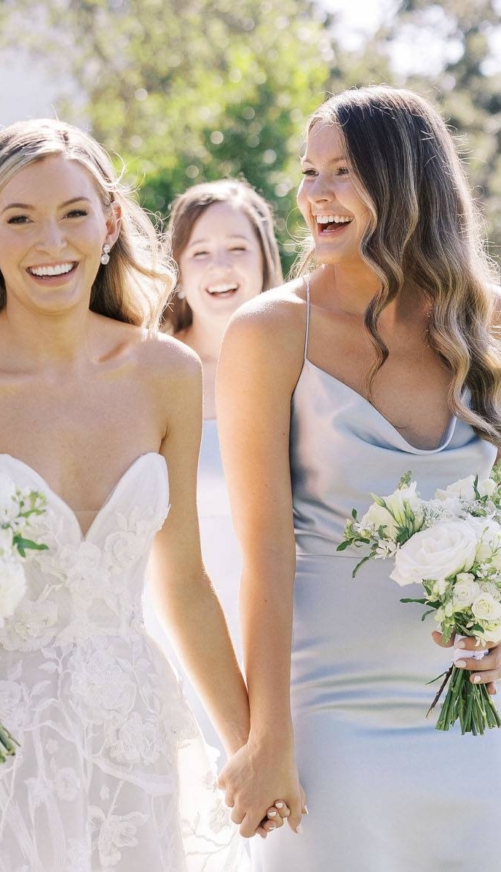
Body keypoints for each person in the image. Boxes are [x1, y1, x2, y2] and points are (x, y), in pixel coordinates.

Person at [0, 119, 284, 871]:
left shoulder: (165, 374)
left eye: (74, 213)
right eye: (20, 219)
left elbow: (184, 585)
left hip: (127, 739)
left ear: (110, 223)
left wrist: (250, 746)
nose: (52, 242)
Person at [218, 86, 501, 868]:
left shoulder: (491, 327)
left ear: (407, 183)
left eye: (342, 171)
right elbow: (265, 558)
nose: (316, 195)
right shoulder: (270, 332)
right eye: (309, 173)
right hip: (330, 716)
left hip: (475, 720)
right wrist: (266, 737)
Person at [148, 180, 284, 760]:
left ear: (264, 258)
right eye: (201, 252)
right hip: (179, 616)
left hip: (285, 619)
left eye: (238, 248)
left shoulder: (305, 359)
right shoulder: (151, 368)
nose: (220, 266)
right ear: (177, 266)